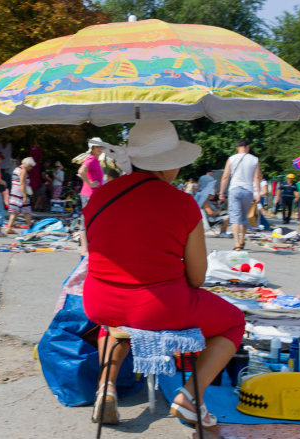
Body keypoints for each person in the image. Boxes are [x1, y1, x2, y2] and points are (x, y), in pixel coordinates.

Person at [81, 120, 244, 427]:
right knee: (234, 322)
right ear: (168, 164)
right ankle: (189, 398)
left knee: (116, 321)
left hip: (99, 300)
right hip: (157, 305)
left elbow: (96, 250)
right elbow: (197, 279)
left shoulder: (99, 196)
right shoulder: (182, 204)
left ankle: (106, 388)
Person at [219, 139, 261, 251]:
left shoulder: (231, 159)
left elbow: (225, 176)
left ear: (238, 147)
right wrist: (258, 192)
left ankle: (237, 244)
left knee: (235, 217)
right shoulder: (254, 159)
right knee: (246, 216)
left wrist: (222, 192)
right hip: (248, 191)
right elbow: (256, 177)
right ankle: (242, 239)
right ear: (248, 147)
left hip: (234, 189)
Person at [78, 138, 105, 256]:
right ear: (92, 149)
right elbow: (81, 171)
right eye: (97, 147)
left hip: (92, 195)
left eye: (100, 146)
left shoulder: (96, 160)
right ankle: (84, 249)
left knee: (93, 220)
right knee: (85, 220)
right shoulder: (91, 158)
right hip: (88, 195)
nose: (100, 148)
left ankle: (89, 246)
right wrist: (90, 183)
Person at [5, 157, 35, 234]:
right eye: (30, 166)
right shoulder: (23, 170)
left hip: (15, 192)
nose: (31, 168)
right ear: (27, 164)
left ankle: (9, 228)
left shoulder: (16, 169)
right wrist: (25, 196)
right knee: (27, 210)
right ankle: (31, 227)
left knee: (16, 211)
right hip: (21, 193)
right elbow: (22, 184)